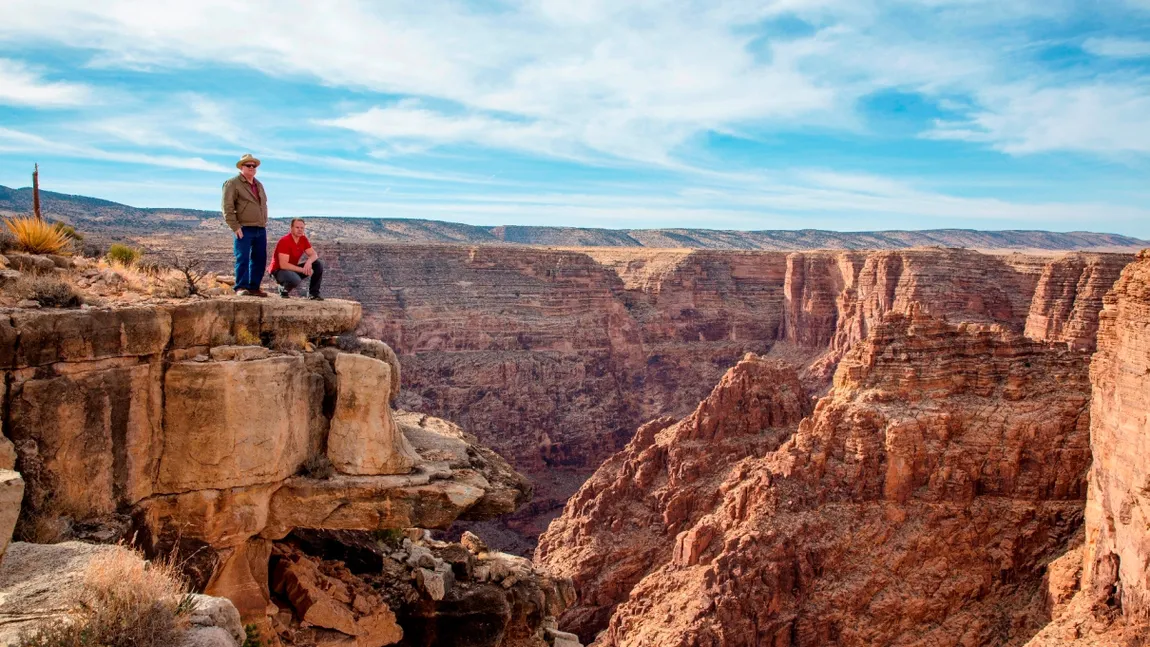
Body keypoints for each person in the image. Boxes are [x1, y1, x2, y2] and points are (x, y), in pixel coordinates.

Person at [221, 153, 269, 297]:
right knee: (243, 257)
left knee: (259, 258)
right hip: (244, 228)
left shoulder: (258, 184)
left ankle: (254, 287)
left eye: (254, 166)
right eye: (248, 165)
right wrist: (235, 226)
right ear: (241, 167)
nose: (252, 168)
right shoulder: (232, 183)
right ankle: (240, 287)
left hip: (260, 227)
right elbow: (227, 207)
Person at [269, 218, 324, 300]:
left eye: (302, 228)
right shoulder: (285, 241)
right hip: (278, 271)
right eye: (297, 227)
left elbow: (314, 254)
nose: (300, 230)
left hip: (291, 269)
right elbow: (283, 265)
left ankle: (313, 294)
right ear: (291, 228)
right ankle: (283, 288)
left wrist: (309, 261)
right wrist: (303, 270)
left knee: (318, 264)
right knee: (295, 279)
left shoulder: (303, 239)